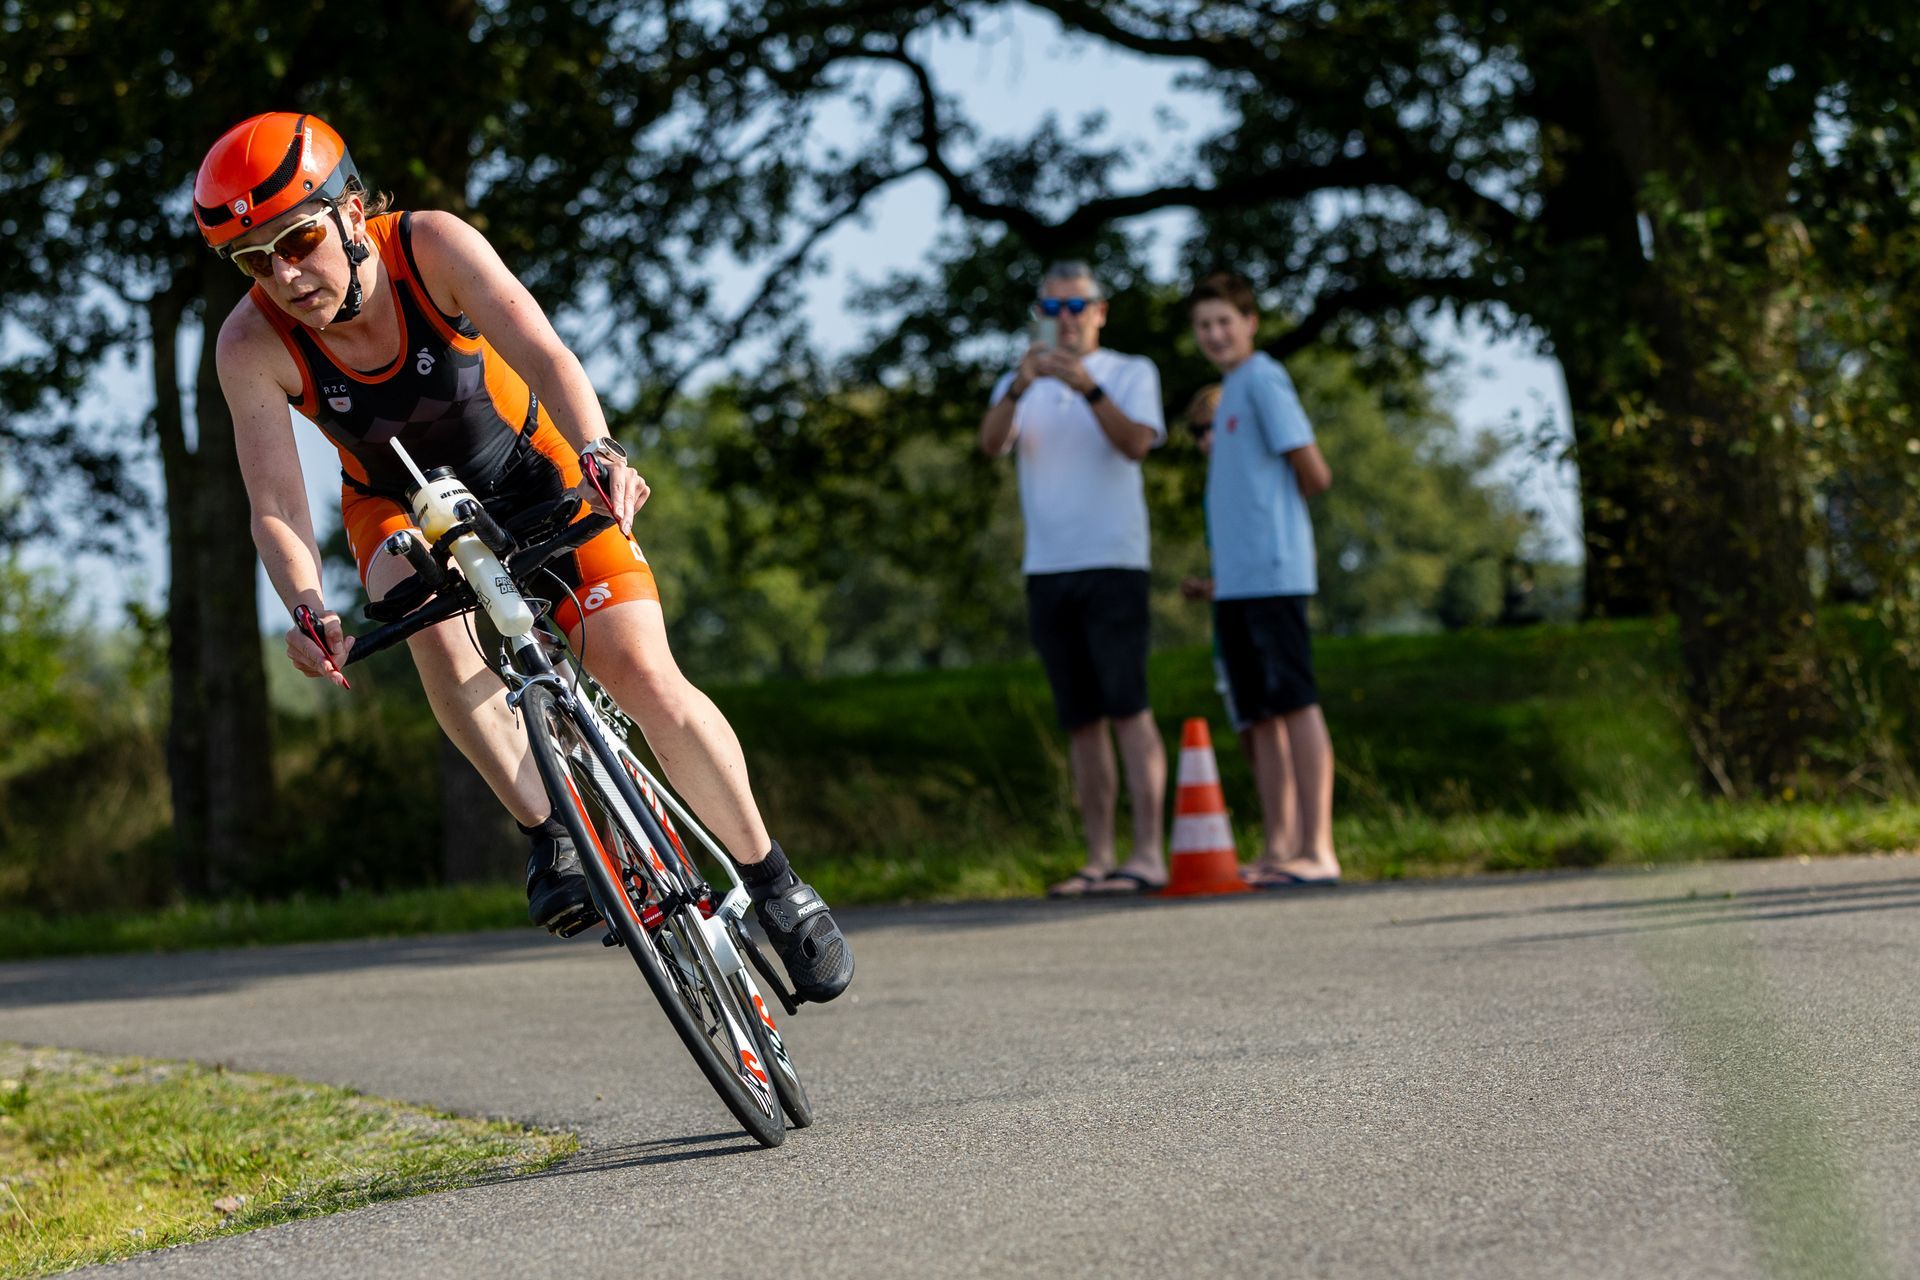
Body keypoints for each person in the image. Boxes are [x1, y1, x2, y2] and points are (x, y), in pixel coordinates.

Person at [193, 112, 852, 999]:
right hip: (395, 504)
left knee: (642, 675)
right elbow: (275, 505)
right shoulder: (249, 344)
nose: (284, 274)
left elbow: (544, 351)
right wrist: (306, 605)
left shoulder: (429, 246)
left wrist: (602, 449)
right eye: (254, 260)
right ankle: (551, 830)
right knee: (411, 608)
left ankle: (775, 884)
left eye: (299, 238)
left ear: (352, 211)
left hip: (531, 468)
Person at [978, 262, 1169, 896]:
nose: (1066, 319)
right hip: (1048, 568)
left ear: (1100, 310)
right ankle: (1097, 858)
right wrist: (1016, 389)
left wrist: (1087, 389)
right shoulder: (1018, 379)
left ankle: (1147, 856)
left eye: (1077, 306)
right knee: (1081, 720)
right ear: (1041, 314)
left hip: (1114, 562)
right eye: (1053, 308)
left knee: (1128, 709)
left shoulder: (1130, 371)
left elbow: (1137, 443)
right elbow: (989, 444)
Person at [1187, 271, 1339, 888]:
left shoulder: (1265, 378)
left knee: (1296, 703)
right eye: (1204, 325)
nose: (1216, 334)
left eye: (1225, 321)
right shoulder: (1226, 394)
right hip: (1237, 583)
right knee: (1260, 717)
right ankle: (1280, 847)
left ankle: (1318, 847)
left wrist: (1280, 537)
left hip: (1274, 574)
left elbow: (1314, 473)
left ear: (1249, 322)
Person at [1176, 384, 1254, 763]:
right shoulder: (1213, 489)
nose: (1206, 439)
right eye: (1197, 432)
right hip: (1227, 627)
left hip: (1258, 622)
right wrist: (1209, 587)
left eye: (1214, 427)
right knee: (1248, 732)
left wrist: (1213, 587)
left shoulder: (1252, 481)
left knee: (1269, 727)